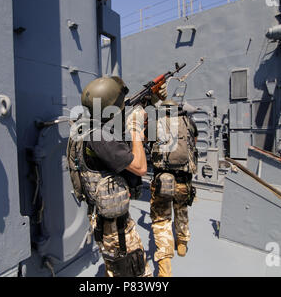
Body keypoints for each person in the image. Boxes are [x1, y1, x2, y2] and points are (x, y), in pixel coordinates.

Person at [67, 76, 166, 277]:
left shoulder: (86, 126)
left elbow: (119, 134)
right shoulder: (100, 137)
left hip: (105, 215)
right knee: (133, 271)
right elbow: (139, 167)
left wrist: (152, 100)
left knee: (116, 269)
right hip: (114, 226)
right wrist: (136, 129)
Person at [149, 99, 198, 277]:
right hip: (184, 180)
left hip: (162, 180)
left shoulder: (156, 124)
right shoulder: (188, 122)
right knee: (182, 210)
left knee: (161, 220)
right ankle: (182, 243)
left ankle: (165, 266)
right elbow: (194, 143)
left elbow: (147, 146)